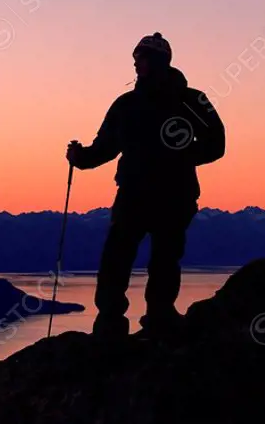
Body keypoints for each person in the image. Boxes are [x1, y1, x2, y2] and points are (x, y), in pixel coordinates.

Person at [66, 32, 225, 338]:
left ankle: (126, 321)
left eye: (141, 58)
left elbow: (216, 145)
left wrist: (80, 158)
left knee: (130, 257)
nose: (136, 64)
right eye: (136, 59)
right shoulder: (183, 101)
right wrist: (81, 157)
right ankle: (146, 319)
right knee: (148, 258)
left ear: (155, 61)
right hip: (161, 194)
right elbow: (105, 148)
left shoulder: (146, 104)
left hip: (154, 194)